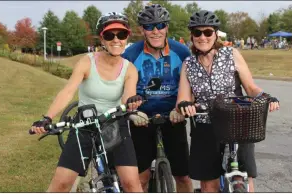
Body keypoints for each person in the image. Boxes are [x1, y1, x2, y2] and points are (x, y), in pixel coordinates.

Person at [30, 12, 144, 192]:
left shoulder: (130, 69)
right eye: (109, 35)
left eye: (121, 35)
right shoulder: (87, 62)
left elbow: (128, 96)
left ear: (127, 37)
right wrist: (47, 117)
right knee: (61, 184)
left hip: (114, 126)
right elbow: (68, 91)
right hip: (84, 125)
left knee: (132, 184)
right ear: (102, 39)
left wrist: (131, 102)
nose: (116, 40)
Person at [176, 10, 280, 192]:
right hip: (204, 123)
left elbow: (251, 88)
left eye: (208, 32)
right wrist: (185, 105)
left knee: (245, 176)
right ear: (191, 36)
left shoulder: (231, 54)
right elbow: (182, 99)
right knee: (209, 184)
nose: (203, 37)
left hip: (237, 121)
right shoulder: (188, 64)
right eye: (197, 33)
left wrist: (266, 97)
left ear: (215, 34)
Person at [122, 4, 193, 192]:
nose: (155, 31)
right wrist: (132, 112)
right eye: (149, 26)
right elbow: (124, 89)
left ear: (167, 27)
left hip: (173, 116)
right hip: (142, 119)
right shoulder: (131, 54)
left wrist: (181, 109)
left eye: (160, 25)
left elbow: (191, 86)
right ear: (141, 30)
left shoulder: (182, 52)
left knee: (184, 177)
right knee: (142, 178)